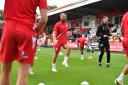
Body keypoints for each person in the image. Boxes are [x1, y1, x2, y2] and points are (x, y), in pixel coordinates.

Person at [0, 0, 48, 85]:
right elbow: (44, 19)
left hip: (9, 29)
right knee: (23, 75)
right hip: (27, 30)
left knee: (5, 71)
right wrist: (35, 32)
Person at [114, 12, 128, 85]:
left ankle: (120, 78)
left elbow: (121, 28)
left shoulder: (125, 15)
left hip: (125, 39)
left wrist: (124, 36)